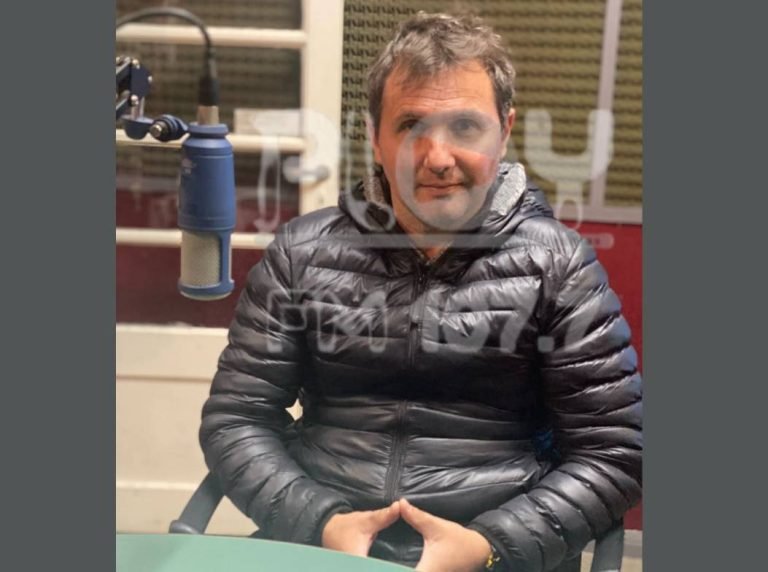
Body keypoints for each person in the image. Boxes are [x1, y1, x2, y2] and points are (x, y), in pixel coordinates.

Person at [199, 12, 642, 572]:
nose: (437, 158)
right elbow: (236, 419)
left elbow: (613, 450)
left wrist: (489, 545)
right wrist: (320, 522)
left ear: (504, 131)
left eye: (466, 127)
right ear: (375, 137)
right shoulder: (300, 253)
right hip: (322, 548)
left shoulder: (559, 266)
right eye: (411, 125)